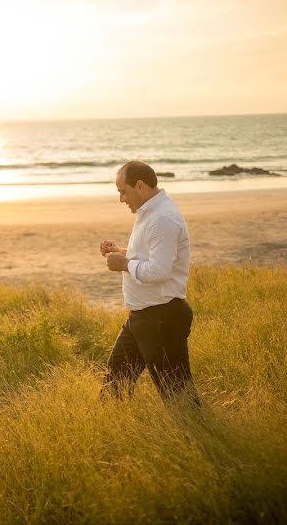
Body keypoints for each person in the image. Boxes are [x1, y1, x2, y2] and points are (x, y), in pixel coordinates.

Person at [100, 161, 199, 404]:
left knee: (180, 398)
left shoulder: (162, 219)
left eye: (123, 191)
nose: (121, 199)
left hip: (161, 320)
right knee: (114, 388)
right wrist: (122, 252)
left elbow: (159, 271)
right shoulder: (150, 213)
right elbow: (149, 258)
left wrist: (123, 265)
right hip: (140, 319)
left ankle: (207, 438)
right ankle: (109, 435)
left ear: (140, 186)